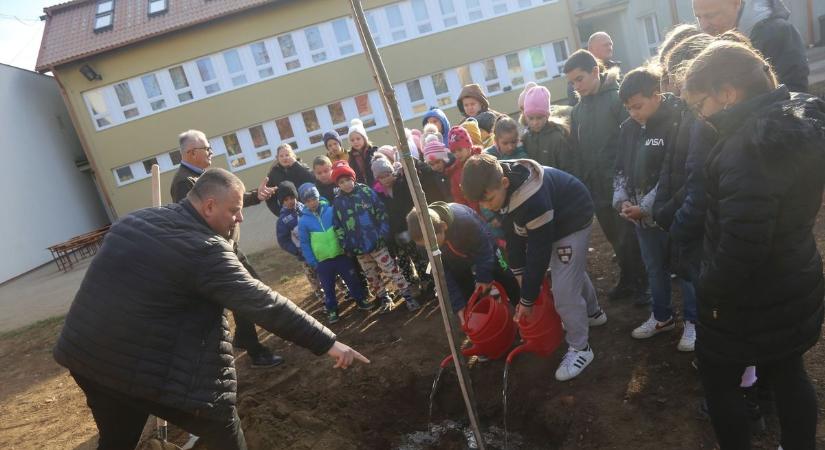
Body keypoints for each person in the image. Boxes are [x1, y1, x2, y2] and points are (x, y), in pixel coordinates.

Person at [54, 169, 369, 450]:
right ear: (208, 207)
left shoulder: (135, 220)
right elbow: (263, 303)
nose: (239, 218)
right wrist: (328, 342)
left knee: (116, 440)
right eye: (234, 210)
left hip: (87, 357)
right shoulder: (205, 250)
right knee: (223, 431)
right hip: (145, 370)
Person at [681, 40, 825, 449]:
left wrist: (708, 288)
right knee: (788, 372)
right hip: (794, 277)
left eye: (700, 104)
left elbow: (744, 244)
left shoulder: (748, 150)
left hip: (749, 297)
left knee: (718, 379)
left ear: (727, 92)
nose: (701, 116)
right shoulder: (796, 117)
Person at [462, 155, 607, 381]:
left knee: (563, 290)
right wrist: (519, 274)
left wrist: (527, 299)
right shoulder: (500, 185)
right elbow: (514, 238)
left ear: (504, 184)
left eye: (488, 200)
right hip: (552, 218)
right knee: (568, 270)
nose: (486, 206)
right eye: (481, 203)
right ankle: (593, 313)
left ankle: (581, 348)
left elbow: (539, 254)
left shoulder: (532, 199)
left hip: (572, 218)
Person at [169, 129, 282, 368]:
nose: (211, 152)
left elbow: (227, 201)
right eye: (206, 148)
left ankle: (245, 337)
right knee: (245, 295)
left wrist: (255, 196)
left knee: (249, 291)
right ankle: (254, 350)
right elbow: (198, 222)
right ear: (190, 152)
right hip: (216, 252)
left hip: (228, 248)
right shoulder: (184, 183)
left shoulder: (204, 175)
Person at [613, 67, 697, 352]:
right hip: (640, 218)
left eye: (638, 106)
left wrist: (646, 207)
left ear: (656, 96)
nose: (634, 113)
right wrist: (622, 199)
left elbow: (671, 173)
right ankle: (662, 317)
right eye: (628, 108)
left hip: (671, 213)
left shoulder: (676, 122)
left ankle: (693, 321)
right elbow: (621, 167)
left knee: (684, 268)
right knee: (654, 268)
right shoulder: (627, 129)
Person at [565, 50, 648, 304]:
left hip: (621, 183)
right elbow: (578, 151)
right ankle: (628, 276)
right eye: (572, 82)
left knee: (630, 234)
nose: (576, 86)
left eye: (579, 79)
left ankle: (644, 283)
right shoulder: (577, 111)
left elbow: (633, 140)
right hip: (596, 186)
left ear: (595, 72)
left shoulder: (617, 100)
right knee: (614, 235)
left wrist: (631, 178)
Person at [331, 161, 421, 312]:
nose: (346, 184)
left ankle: (408, 296)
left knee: (392, 270)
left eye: (347, 180)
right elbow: (338, 226)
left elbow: (381, 213)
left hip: (377, 243)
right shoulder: (338, 202)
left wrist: (382, 234)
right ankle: (384, 298)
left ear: (353, 178)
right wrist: (347, 244)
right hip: (359, 248)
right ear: (337, 184)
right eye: (341, 182)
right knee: (371, 275)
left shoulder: (366, 192)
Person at [406, 202, 520, 320]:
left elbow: (484, 248)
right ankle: (484, 319)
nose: (429, 248)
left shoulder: (464, 221)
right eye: (424, 246)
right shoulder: (424, 243)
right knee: (466, 291)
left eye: (432, 244)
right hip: (454, 259)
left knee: (504, 274)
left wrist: (484, 277)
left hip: (481, 246)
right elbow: (444, 275)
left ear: (443, 226)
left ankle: (522, 307)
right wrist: (459, 306)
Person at [297, 182, 374, 324]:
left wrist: (347, 247)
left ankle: (361, 300)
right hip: (323, 261)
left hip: (341, 255)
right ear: (304, 202)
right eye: (307, 201)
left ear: (318, 197)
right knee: (328, 288)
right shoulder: (303, 221)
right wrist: (313, 261)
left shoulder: (331, 211)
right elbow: (305, 243)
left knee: (352, 280)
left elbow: (343, 227)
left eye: (314, 198)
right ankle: (332, 309)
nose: (312, 203)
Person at [692, 0, 809, 92]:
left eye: (710, 15)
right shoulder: (717, 38)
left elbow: (794, 93)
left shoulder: (777, 33)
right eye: (698, 17)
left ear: (736, 3)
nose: (703, 26)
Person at [372, 155, 434, 294]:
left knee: (418, 256)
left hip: (410, 227)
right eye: (381, 177)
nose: (386, 179)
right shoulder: (378, 194)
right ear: (377, 179)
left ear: (392, 172)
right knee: (403, 260)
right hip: (396, 233)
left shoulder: (402, 183)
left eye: (387, 174)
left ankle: (427, 280)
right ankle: (411, 283)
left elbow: (412, 183)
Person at [275, 181, 325, 304]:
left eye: (292, 197)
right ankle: (323, 298)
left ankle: (343, 288)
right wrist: (296, 250)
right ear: (282, 202)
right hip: (303, 254)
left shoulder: (306, 208)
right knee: (313, 277)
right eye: (285, 200)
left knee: (327, 268)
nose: (290, 201)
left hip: (319, 247)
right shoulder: (283, 220)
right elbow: (283, 240)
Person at [520, 85, 577, 175]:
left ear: (547, 116)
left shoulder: (558, 138)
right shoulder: (525, 138)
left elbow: (568, 168)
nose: (535, 122)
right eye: (531, 118)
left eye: (539, 118)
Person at [568, 32, 622, 106]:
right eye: (605, 45)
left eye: (611, 44)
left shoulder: (616, 70)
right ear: (591, 49)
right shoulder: (578, 76)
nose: (610, 48)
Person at [265, 143, 315, 215]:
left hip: (308, 207)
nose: (284, 158)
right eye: (281, 156)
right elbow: (269, 197)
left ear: (293, 156)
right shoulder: (273, 174)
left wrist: (296, 165)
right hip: (288, 213)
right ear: (277, 158)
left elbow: (312, 180)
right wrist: (279, 212)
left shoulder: (301, 166)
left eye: (287, 155)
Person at [446, 126, 482, 210]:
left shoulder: (482, 160)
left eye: (459, 149)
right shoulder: (455, 173)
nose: (457, 154)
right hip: (475, 216)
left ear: (469, 146)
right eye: (454, 152)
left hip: (494, 209)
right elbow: (459, 199)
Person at [347, 118, 379, 186]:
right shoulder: (350, 156)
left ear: (364, 138)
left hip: (378, 184)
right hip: (363, 187)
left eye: (358, 139)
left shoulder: (373, 151)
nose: (355, 142)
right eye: (352, 140)